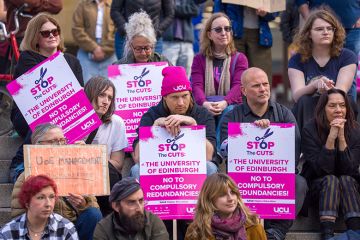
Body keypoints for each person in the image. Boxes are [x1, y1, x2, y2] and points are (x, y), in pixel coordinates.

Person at [219, 67, 308, 240]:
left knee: (299, 182)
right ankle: (247, 228)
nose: (263, 89)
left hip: (277, 175)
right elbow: (223, 150)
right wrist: (251, 133)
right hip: (243, 176)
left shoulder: (284, 113)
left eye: (265, 84)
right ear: (244, 91)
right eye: (256, 86)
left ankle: (276, 232)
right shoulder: (232, 116)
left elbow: (294, 150)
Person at [9, 13, 84, 183]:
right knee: (50, 114)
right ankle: (20, 164)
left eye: (55, 31)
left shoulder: (72, 61)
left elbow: (78, 96)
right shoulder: (27, 59)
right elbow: (32, 99)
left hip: (64, 113)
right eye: (45, 33)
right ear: (36, 37)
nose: (51, 35)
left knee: (61, 112)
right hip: (28, 115)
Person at [10, 123, 102, 240]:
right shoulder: (28, 177)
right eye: (53, 141)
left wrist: (83, 205)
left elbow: (96, 211)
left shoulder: (76, 172)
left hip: (74, 229)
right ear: (37, 146)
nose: (59, 145)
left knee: (93, 214)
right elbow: (18, 215)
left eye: (62, 141)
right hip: (45, 231)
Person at [131, 66, 218, 179]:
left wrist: (193, 126)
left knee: (210, 167)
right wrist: (154, 128)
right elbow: (138, 158)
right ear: (165, 97)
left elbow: (209, 156)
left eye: (185, 96)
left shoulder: (203, 114)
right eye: (175, 97)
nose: (181, 103)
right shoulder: (151, 115)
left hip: (192, 167)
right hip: (161, 168)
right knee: (136, 170)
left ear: (190, 94)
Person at [301, 88, 360, 240]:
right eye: (332, 106)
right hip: (318, 188)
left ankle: (355, 231)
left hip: (349, 188)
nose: (339, 110)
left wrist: (341, 137)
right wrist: (331, 137)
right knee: (331, 179)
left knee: (346, 179)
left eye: (342, 105)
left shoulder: (355, 130)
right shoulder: (309, 129)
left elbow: (350, 170)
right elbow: (321, 170)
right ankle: (327, 234)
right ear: (323, 109)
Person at [288, 9, 357, 131]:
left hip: (337, 104)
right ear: (309, 33)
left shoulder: (348, 56)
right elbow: (297, 96)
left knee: (347, 102)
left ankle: (344, 145)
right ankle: (305, 146)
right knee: (304, 101)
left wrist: (328, 89)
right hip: (310, 106)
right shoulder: (296, 60)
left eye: (330, 28)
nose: (326, 32)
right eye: (319, 29)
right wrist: (314, 85)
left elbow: (341, 91)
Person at [190, 12, 248, 150]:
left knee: (229, 110)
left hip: (230, 104)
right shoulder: (199, 59)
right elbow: (196, 86)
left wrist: (224, 102)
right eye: (218, 29)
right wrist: (204, 103)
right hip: (205, 103)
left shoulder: (240, 58)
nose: (224, 33)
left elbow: (238, 86)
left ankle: (216, 150)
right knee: (202, 112)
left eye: (227, 29)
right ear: (209, 34)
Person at [84, 76, 128, 215]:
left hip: (101, 178)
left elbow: (117, 164)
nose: (106, 102)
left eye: (110, 98)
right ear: (90, 94)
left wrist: (88, 156)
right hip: (74, 175)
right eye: (102, 95)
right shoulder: (72, 119)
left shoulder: (116, 122)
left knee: (108, 170)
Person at [185, 173, 266, 240]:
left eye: (233, 192)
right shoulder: (196, 231)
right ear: (210, 199)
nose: (230, 199)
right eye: (223, 194)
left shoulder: (254, 227)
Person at [213, 1, 278, 82]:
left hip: (261, 35)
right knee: (234, 73)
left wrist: (266, 13)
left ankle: (259, 93)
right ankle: (234, 94)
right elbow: (218, 9)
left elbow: (275, 11)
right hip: (233, 32)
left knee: (260, 75)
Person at [1, 174, 79, 239]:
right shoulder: (8, 232)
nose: (48, 204)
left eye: (52, 197)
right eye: (41, 198)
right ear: (27, 202)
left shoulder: (66, 228)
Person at [93, 177, 169, 239]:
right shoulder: (104, 229)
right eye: (131, 202)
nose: (139, 208)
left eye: (141, 200)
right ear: (116, 206)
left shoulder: (153, 222)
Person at [110, 0, 174, 59]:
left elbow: (169, 15)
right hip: (125, 38)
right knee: (125, 69)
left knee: (152, 68)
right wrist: (128, 31)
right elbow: (115, 11)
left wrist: (156, 33)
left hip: (153, 39)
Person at [72, 0, 117, 83]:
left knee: (112, 87)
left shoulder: (115, 4)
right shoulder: (83, 4)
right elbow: (76, 29)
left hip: (111, 53)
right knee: (84, 87)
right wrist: (94, 48)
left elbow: (119, 31)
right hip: (86, 52)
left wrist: (104, 49)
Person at [162, 0, 199, 76]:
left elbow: (195, 10)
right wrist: (184, 9)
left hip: (187, 43)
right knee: (168, 76)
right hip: (168, 43)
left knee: (186, 77)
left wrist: (171, 9)